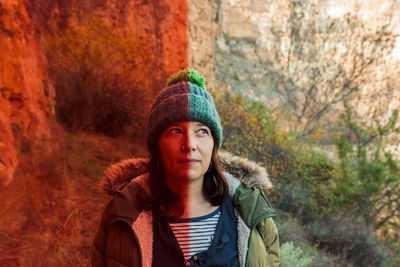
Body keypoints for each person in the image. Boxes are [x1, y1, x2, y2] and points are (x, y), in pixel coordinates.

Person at [91, 69, 280, 267]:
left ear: (213, 145)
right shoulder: (123, 212)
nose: (189, 144)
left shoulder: (251, 211)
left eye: (201, 131)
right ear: (157, 145)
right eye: (175, 131)